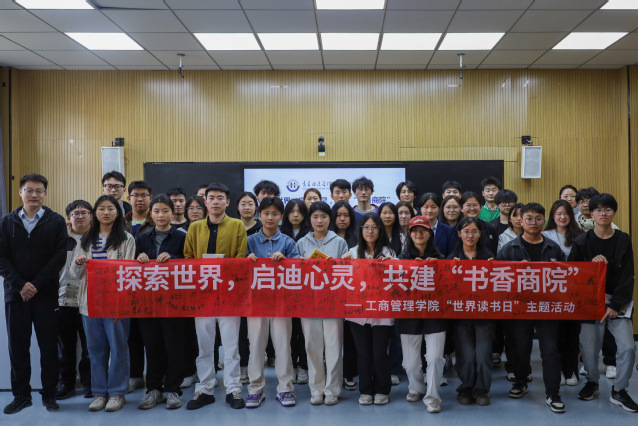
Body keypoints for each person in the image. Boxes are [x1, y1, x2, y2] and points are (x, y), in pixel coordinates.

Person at [0, 174, 68, 415]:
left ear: (45, 194)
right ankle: (21, 396)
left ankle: (49, 395)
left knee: (48, 347)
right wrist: (20, 285)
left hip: (46, 294)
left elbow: (59, 256)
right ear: (20, 192)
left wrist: (36, 284)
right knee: (18, 348)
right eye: (29, 190)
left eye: (39, 191)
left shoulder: (56, 221)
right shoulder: (6, 222)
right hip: (16, 294)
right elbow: (1, 257)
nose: (34, 195)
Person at [568, 193, 638, 412]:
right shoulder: (582, 241)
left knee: (628, 348)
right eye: (598, 210)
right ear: (591, 213)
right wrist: (590, 265)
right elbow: (572, 273)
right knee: (589, 350)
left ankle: (620, 390)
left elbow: (628, 275)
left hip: (617, 303)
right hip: (590, 302)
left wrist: (615, 305)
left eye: (608, 209)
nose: (603, 214)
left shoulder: (623, 240)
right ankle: (592, 382)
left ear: (614, 213)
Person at [497, 202, 566, 414]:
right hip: (519, 307)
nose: (533, 222)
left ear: (544, 221)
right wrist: (515, 273)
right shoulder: (509, 249)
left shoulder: (554, 248)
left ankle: (553, 393)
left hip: (547, 307)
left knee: (550, 349)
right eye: (529, 219)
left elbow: (566, 279)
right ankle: (520, 382)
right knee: (520, 347)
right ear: (521, 221)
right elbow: (497, 281)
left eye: (538, 219)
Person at [185, 183, 247, 411]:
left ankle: (233, 389)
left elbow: (240, 258)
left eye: (220, 198)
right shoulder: (194, 228)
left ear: (227, 202)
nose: (215, 201)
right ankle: (205, 389)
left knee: (231, 346)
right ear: (205, 201)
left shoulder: (237, 225)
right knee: (204, 346)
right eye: (211, 198)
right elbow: (188, 257)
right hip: (202, 295)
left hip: (229, 294)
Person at [71, 195, 136, 412]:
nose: (106, 212)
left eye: (110, 208)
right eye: (101, 208)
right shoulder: (85, 239)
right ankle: (99, 393)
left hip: (115, 303)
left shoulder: (126, 239)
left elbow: (129, 272)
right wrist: (79, 263)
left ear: (117, 213)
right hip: (90, 302)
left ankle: (117, 392)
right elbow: (74, 273)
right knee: (95, 349)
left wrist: (121, 304)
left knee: (118, 348)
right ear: (94, 214)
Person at [244, 197, 299, 408]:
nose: (270, 217)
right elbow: (238, 270)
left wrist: (286, 262)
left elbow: (298, 270)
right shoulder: (249, 241)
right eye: (266, 213)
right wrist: (246, 262)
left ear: (281, 217)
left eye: (275, 214)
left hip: (281, 303)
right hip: (255, 303)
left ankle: (285, 389)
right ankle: (255, 390)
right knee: (256, 347)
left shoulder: (288, 242)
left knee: (283, 346)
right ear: (259, 215)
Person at [135, 195, 187, 410]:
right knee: (152, 346)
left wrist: (174, 259)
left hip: (174, 301)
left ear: (172, 213)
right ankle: (153, 389)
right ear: (151, 214)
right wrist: (138, 260)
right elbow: (131, 269)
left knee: (174, 346)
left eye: (165, 211)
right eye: (156, 211)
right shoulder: (142, 239)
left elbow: (191, 263)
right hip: (149, 302)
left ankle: (173, 389)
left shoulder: (182, 237)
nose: (161, 215)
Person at [296, 201, 348, 406]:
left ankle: (333, 389)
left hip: (333, 302)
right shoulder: (301, 242)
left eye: (324, 216)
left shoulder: (339, 242)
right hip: (309, 303)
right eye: (315, 216)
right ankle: (316, 389)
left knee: (334, 348)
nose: (319, 221)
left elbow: (347, 272)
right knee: (312, 347)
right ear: (309, 219)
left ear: (330, 219)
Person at [342, 212, 394, 406]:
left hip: (382, 311)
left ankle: (382, 389)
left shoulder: (389, 253)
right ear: (361, 230)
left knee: (380, 353)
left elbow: (398, 281)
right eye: (366, 228)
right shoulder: (353, 252)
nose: (370, 231)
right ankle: (365, 390)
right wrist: (344, 262)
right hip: (358, 311)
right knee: (363, 353)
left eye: (374, 227)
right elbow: (343, 279)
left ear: (380, 230)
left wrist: (393, 266)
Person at [397, 216, 446, 414]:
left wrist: (439, 269)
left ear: (429, 233)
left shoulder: (441, 259)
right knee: (410, 364)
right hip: (409, 314)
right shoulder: (400, 260)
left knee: (435, 358)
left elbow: (451, 287)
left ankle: (433, 397)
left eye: (423, 230)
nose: (419, 234)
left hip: (435, 314)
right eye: (415, 230)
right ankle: (416, 387)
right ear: (409, 234)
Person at [449, 217, 494, 406]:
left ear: (480, 234)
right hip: (461, 316)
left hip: (484, 315)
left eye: (474, 231)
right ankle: (466, 388)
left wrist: (494, 269)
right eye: (466, 231)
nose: (470, 235)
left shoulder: (489, 258)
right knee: (465, 355)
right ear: (459, 234)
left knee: (483, 355)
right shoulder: (450, 259)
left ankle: (481, 390)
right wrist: (450, 270)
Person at [542, 200, 584, 387]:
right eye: (558, 213)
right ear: (553, 216)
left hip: (574, 292)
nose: (562, 217)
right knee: (555, 333)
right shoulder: (545, 235)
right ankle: (557, 370)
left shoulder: (580, 235)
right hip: (552, 292)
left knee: (572, 332)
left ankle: (571, 370)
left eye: (566, 213)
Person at [56, 200, 93, 401]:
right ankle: (66, 383)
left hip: (89, 298)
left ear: (91, 216)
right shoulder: (60, 238)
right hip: (63, 298)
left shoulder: (97, 238)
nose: (80, 216)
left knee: (89, 346)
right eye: (75, 213)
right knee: (66, 345)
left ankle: (89, 383)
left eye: (84, 213)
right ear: (68, 217)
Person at [123, 180, 154, 393]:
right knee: (131, 335)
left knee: (151, 336)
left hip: (151, 286)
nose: (140, 199)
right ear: (129, 198)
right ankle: (135, 375)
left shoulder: (157, 220)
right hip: (126, 286)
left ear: (150, 198)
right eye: (135, 195)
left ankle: (154, 378)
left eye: (144, 195)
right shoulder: (120, 224)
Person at [280, 199, 311, 386]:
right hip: (286, 290)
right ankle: (290, 366)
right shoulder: (280, 233)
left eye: (299, 211)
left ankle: (304, 367)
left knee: (304, 331)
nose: (296, 215)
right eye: (292, 211)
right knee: (289, 332)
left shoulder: (311, 233)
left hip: (307, 290)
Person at [415, 193, 456, 258]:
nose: (429, 210)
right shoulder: (414, 230)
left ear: (439, 208)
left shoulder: (448, 231)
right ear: (420, 209)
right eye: (426, 207)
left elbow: (451, 255)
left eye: (433, 207)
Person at [460, 192, 498, 256]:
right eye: (468, 205)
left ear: (480, 207)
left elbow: (494, 250)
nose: (472, 208)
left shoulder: (490, 228)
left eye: (475, 205)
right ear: (461, 208)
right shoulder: (455, 228)